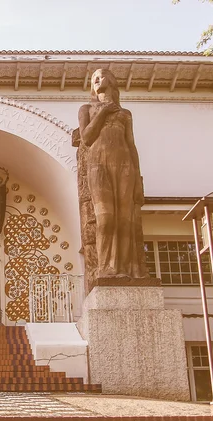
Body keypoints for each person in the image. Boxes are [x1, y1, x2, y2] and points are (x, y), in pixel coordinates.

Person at [77, 68, 147, 279]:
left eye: (102, 76)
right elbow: (87, 138)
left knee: (125, 219)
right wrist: (104, 111)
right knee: (105, 219)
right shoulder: (87, 109)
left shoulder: (125, 114)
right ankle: (106, 268)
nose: (98, 80)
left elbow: (131, 145)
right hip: (98, 165)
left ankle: (124, 269)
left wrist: (138, 181)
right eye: (94, 79)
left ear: (112, 81)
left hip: (125, 166)